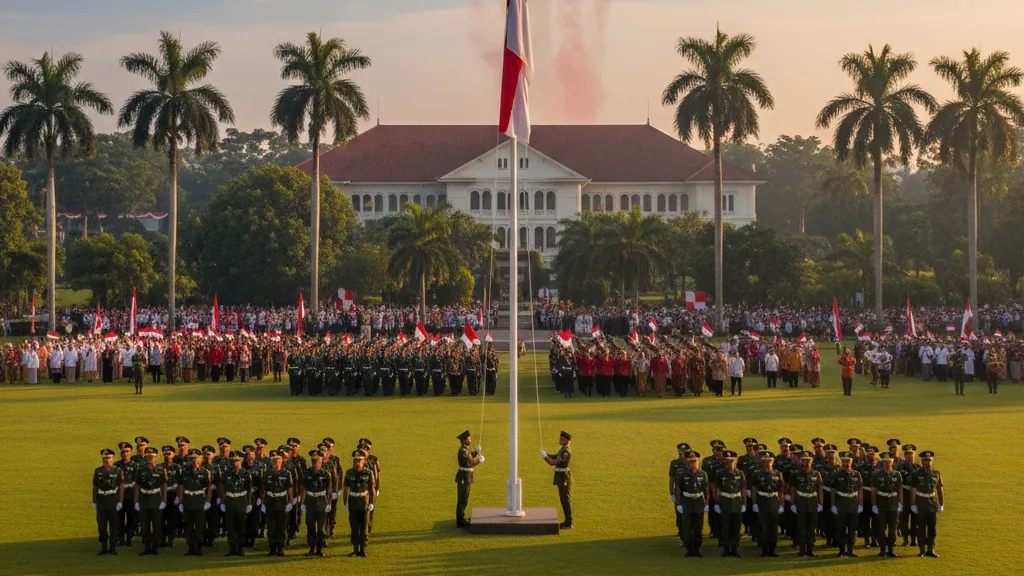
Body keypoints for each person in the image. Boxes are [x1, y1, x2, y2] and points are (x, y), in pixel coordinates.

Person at [178, 448, 212, 557]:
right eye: (192, 459)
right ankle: (190, 547)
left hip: (199, 501)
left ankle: (198, 548)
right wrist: (180, 501)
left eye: (196, 459)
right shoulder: (185, 471)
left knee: (199, 526)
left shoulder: (205, 472)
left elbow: (209, 487)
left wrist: (208, 501)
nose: (194, 461)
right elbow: (181, 486)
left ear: (200, 460)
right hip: (188, 500)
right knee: (188, 526)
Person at [134, 447, 168, 556]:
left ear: (155, 458)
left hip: (156, 498)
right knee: (145, 526)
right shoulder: (141, 469)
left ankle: (155, 547)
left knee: (157, 525)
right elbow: (137, 486)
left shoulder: (161, 469)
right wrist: (136, 501)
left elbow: (164, 485)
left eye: (152, 456)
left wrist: (164, 500)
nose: (149, 458)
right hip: (144, 498)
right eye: (148, 456)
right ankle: (146, 547)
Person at [675, 450, 709, 557]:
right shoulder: (682, 474)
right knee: (687, 527)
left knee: (698, 527)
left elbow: (706, 490)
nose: (693, 463)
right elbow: (679, 489)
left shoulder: (703, 474)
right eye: (691, 462)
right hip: (687, 502)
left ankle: (697, 548)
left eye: (695, 461)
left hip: (698, 502)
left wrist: (706, 503)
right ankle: (689, 549)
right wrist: (679, 503)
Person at [343, 449, 376, 557]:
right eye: (356, 461)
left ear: (363, 462)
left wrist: (372, 502)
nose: (357, 463)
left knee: (364, 527)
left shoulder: (368, 472)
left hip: (364, 502)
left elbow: (372, 489)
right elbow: (346, 488)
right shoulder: (349, 472)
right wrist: (345, 502)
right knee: (354, 527)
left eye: (359, 461)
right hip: (353, 501)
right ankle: (355, 548)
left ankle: (363, 549)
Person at [219, 451, 253, 557]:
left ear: (242, 461)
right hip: (230, 500)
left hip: (241, 500)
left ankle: (241, 548)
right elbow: (222, 488)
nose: (235, 463)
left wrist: (249, 503)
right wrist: (223, 501)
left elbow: (249, 489)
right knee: (230, 526)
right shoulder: (226, 474)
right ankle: (232, 548)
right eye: (233, 461)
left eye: (237, 461)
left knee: (241, 525)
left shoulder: (246, 473)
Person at [260, 449, 293, 557]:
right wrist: (262, 502)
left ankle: (281, 548)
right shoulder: (267, 474)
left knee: (282, 527)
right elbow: (263, 488)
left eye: (278, 462)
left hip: (282, 501)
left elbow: (289, 488)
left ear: (281, 462)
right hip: (270, 502)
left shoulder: (286, 474)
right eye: (274, 462)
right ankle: (272, 548)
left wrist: (290, 501)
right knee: (271, 527)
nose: (276, 464)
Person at [751, 450, 784, 558]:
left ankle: (772, 549)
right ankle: (764, 549)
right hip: (762, 500)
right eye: (765, 461)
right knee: (763, 525)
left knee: (773, 526)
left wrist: (781, 504)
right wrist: (754, 503)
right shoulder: (757, 473)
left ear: (773, 461)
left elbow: (781, 491)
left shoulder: (778, 473)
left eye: (769, 461)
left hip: (774, 500)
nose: (767, 463)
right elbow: (754, 489)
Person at [911, 451, 944, 558]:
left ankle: (931, 549)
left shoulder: (936, 473)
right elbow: (913, 489)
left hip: (932, 503)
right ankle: (922, 550)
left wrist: (941, 504)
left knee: (932, 528)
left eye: (929, 460)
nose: (927, 462)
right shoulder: (916, 473)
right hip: (921, 502)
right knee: (921, 527)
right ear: (922, 461)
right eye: (925, 460)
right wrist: (913, 504)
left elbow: (939, 489)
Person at [790, 451, 822, 557]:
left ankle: (810, 549)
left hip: (812, 502)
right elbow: (793, 489)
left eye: (808, 460)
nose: (806, 462)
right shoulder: (796, 474)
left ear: (811, 461)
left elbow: (819, 488)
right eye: (803, 460)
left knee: (811, 527)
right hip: (801, 502)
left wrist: (821, 502)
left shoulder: (816, 474)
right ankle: (802, 549)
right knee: (801, 527)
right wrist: (792, 503)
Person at [300, 449, 332, 557]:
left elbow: (329, 489)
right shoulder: (307, 473)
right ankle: (311, 548)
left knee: (321, 528)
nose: (314, 462)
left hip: (321, 501)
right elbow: (303, 488)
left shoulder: (325, 473)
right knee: (310, 525)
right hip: (310, 501)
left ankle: (320, 548)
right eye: (312, 460)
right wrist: (302, 502)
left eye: (316, 460)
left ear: (321, 460)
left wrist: (329, 503)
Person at [713, 450, 745, 557]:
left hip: (736, 502)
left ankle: (735, 548)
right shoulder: (720, 473)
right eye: (726, 462)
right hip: (724, 502)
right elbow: (716, 488)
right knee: (725, 526)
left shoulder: (740, 473)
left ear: (735, 462)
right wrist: (717, 502)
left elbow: (743, 489)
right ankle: (726, 549)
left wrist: (744, 503)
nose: (729, 464)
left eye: (731, 461)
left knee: (736, 527)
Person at [831, 451, 863, 557]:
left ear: (851, 462)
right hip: (841, 503)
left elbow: (860, 490)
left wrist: (860, 503)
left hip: (853, 503)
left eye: (848, 461)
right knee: (841, 528)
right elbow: (833, 490)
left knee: (852, 528)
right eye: (844, 461)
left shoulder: (856, 474)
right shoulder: (837, 474)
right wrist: (833, 505)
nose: (846, 463)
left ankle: (850, 550)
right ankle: (841, 550)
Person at [93, 448, 125, 556]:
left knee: (114, 526)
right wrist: (94, 501)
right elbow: (95, 487)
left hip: (113, 501)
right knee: (101, 527)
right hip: (102, 501)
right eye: (105, 458)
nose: (107, 460)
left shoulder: (118, 471)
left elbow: (121, 487)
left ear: (113, 458)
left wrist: (120, 501)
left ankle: (112, 548)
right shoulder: (98, 471)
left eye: (109, 458)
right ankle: (103, 547)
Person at [871, 452, 903, 558]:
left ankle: (891, 549)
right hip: (882, 503)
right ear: (882, 463)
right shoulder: (876, 475)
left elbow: (899, 489)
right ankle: (882, 549)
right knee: (881, 527)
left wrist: (900, 503)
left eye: (890, 462)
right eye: (886, 462)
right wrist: (874, 504)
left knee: (893, 528)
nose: (888, 464)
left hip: (893, 503)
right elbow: (874, 491)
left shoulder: (897, 474)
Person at [541, 431, 573, 529]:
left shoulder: (566, 451)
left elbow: (552, 462)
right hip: (561, 476)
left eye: (562, 439)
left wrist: (545, 457)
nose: (560, 440)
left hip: (564, 477)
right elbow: (555, 456)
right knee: (563, 499)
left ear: (567, 440)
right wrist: (547, 454)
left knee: (565, 500)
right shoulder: (563, 449)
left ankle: (568, 523)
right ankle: (567, 521)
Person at [455, 430, 484, 528]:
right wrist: (478, 461)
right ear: (464, 440)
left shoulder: (465, 449)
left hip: (465, 477)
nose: (470, 440)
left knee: (464, 499)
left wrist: (476, 452)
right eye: (469, 438)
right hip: (464, 478)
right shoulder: (463, 451)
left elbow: (470, 457)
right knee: (462, 499)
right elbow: (469, 463)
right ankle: (460, 521)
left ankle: (461, 518)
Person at [115, 442, 140, 547]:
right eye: (123, 451)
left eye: (127, 451)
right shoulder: (116, 465)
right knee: (119, 519)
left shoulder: (135, 465)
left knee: (131, 518)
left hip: (130, 495)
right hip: (119, 497)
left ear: (130, 452)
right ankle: (120, 539)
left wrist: (136, 499)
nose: (125, 453)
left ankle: (128, 538)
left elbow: (137, 483)